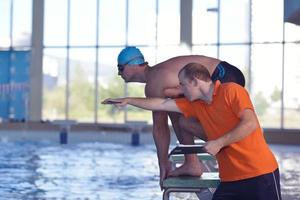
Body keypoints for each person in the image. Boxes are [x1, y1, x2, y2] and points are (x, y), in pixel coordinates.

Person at [102, 62, 281, 200]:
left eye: (182, 84)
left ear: (195, 81)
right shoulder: (195, 105)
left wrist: (219, 143)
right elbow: (159, 103)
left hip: (260, 174)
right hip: (229, 181)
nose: (179, 89)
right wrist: (128, 100)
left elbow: (250, 124)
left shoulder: (232, 91)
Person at [116, 46, 245, 188]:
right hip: (227, 72)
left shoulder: (154, 81)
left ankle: (229, 144)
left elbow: (160, 128)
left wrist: (163, 164)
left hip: (224, 75)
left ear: (133, 65)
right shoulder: (159, 79)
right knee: (177, 110)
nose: (118, 73)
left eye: (121, 68)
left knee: (176, 105)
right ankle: (192, 162)